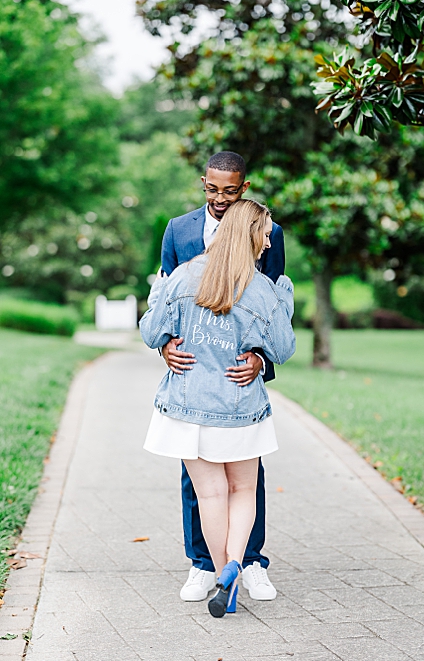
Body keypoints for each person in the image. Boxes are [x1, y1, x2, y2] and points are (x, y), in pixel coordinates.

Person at [140, 199, 296, 617]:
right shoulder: (262, 288)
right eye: (264, 235)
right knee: (243, 490)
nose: (267, 244)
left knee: (210, 494)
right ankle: (233, 567)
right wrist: (284, 293)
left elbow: (152, 332)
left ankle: (222, 572)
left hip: (186, 407)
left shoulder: (184, 276)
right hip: (239, 407)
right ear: (249, 235)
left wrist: (160, 294)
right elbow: (283, 348)